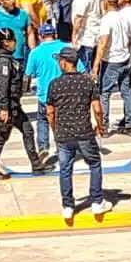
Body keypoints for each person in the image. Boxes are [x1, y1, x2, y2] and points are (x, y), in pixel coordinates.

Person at [45, 46, 112, 225]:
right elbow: (97, 109)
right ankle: (97, 201)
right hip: (84, 132)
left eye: (60, 60)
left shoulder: (55, 84)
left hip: (64, 134)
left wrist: (54, 129)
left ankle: (68, 206)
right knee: (95, 164)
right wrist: (101, 127)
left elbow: (50, 112)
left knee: (65, 169)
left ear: (65, 63)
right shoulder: (87, 81)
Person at [0, 28, 52, 180]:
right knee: (1, 137)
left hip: (14, 105)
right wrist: (3, 108)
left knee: (27, 131)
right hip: (7, 106)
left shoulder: (8, 59)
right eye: (13, 41)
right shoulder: (3, 62)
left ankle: (36, 164)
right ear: (6, 42)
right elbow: (3, 85)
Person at [25, 23, 76, 158]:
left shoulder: (35, 53)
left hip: (45, 94)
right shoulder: (66, 48)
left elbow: (29, 73)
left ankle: (43, 145)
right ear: (55, 35)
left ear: (40, 36)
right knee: (63, 120)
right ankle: (63, 146)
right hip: (65, 93)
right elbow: (80, 69)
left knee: (42, 119)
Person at [94, 0, 131, 135]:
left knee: (104, 93)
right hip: (125, 58)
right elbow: (128, 39)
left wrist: (96, 64)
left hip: (111, 60)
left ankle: (104, 126)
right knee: (126, 91)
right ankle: (130, 124)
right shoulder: (123, 17)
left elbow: (103, 43)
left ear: (106, 2)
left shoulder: (107, 19)